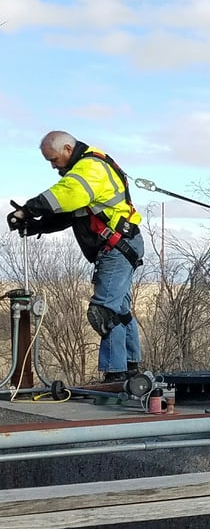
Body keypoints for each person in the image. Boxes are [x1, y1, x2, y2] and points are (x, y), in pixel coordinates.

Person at [6, 130, 144, 383]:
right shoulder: (86, 172)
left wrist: (27, 210)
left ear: (68, 149)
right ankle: (130, 369)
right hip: (120, 247)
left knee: (104, 311)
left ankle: (116, 374)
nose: (52, 166)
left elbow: (64, 196)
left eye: (54, 159)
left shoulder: (89, 168)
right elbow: (70, 214)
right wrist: (36, 225)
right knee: (119, 310)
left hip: (117, 248)